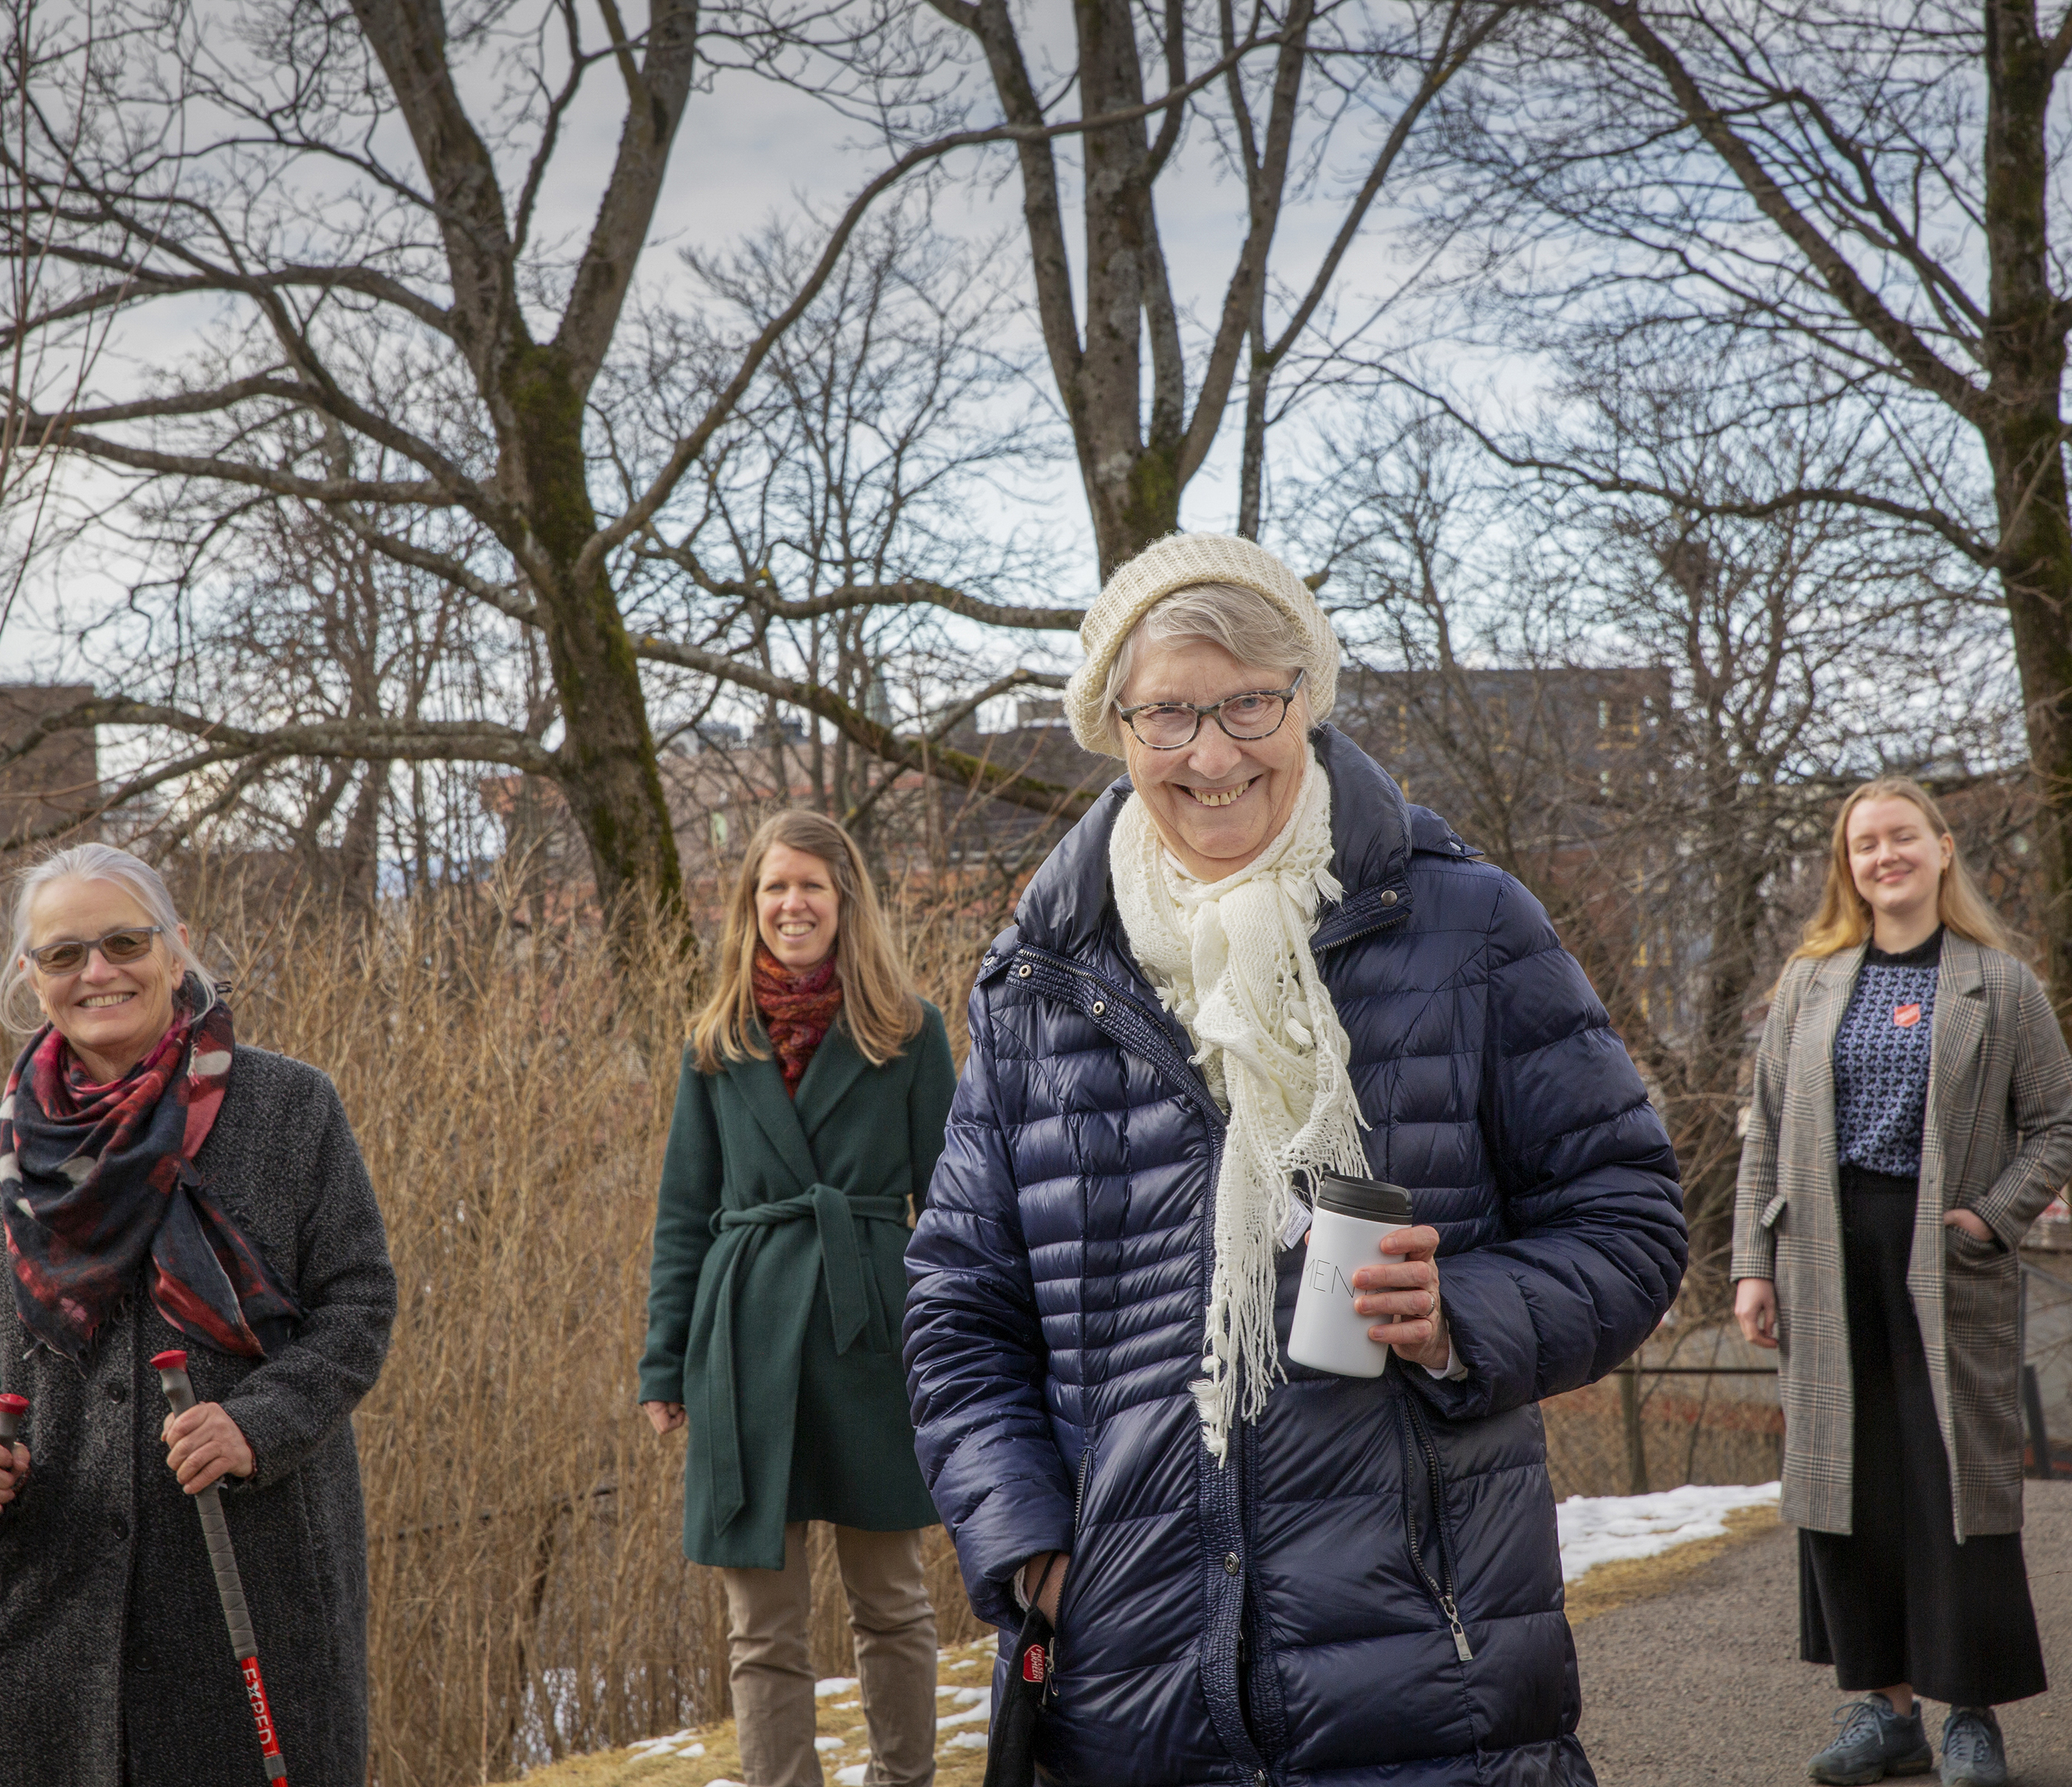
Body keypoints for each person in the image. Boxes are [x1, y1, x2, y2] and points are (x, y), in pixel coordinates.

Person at [901, 533, 1688, 1785]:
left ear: (1303, 700)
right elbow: (957, 1306)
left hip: (1433, 1674)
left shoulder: (1465, 926)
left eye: (1245, 704)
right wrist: (1025, 1542)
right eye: (1166, 714)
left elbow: (1631, 1218)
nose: (1209, 755)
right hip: (1128, 1687)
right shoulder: (1040, 980)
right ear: (1115, 726)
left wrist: (1459, 1317)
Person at [0, 844, 397, 1787]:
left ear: (177, 950)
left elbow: (358, 1304)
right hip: (39, 1619)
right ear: (30, 977)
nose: (98, 971)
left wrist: (258, 1424)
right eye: (64, 953)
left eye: (124, 940)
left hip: (252, 1594)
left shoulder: (291, 1110)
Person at [1731, 778, 2072, 1787]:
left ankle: (1968, 1713)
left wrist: (1989, 1217)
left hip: (1944, 1265)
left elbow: (2058, 1126)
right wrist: (1748, 1266)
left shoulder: (1997, 983)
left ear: (1938, 848)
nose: (1880, 856)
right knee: (1847, 1484)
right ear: (1845, 865)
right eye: (1861, 844)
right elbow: (1759, 1130)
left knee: (1951, 1487)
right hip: (1819, 1262)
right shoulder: (1808, 981)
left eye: (1899, 838)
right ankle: (1883, 1711)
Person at [639, 810, 957, 1787]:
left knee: (892, 1602)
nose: (791, 904)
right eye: (774, 887)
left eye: (811, 885)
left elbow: (951, 1209)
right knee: (760, 1624)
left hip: (873, 1332)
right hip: (743, 1341)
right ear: (749, 904)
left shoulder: (906, 1029)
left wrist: (957, 1351)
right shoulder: (714, 1039)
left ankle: (905, 1776)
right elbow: (684, 1211)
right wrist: (663, 1359)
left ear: (843, 900)